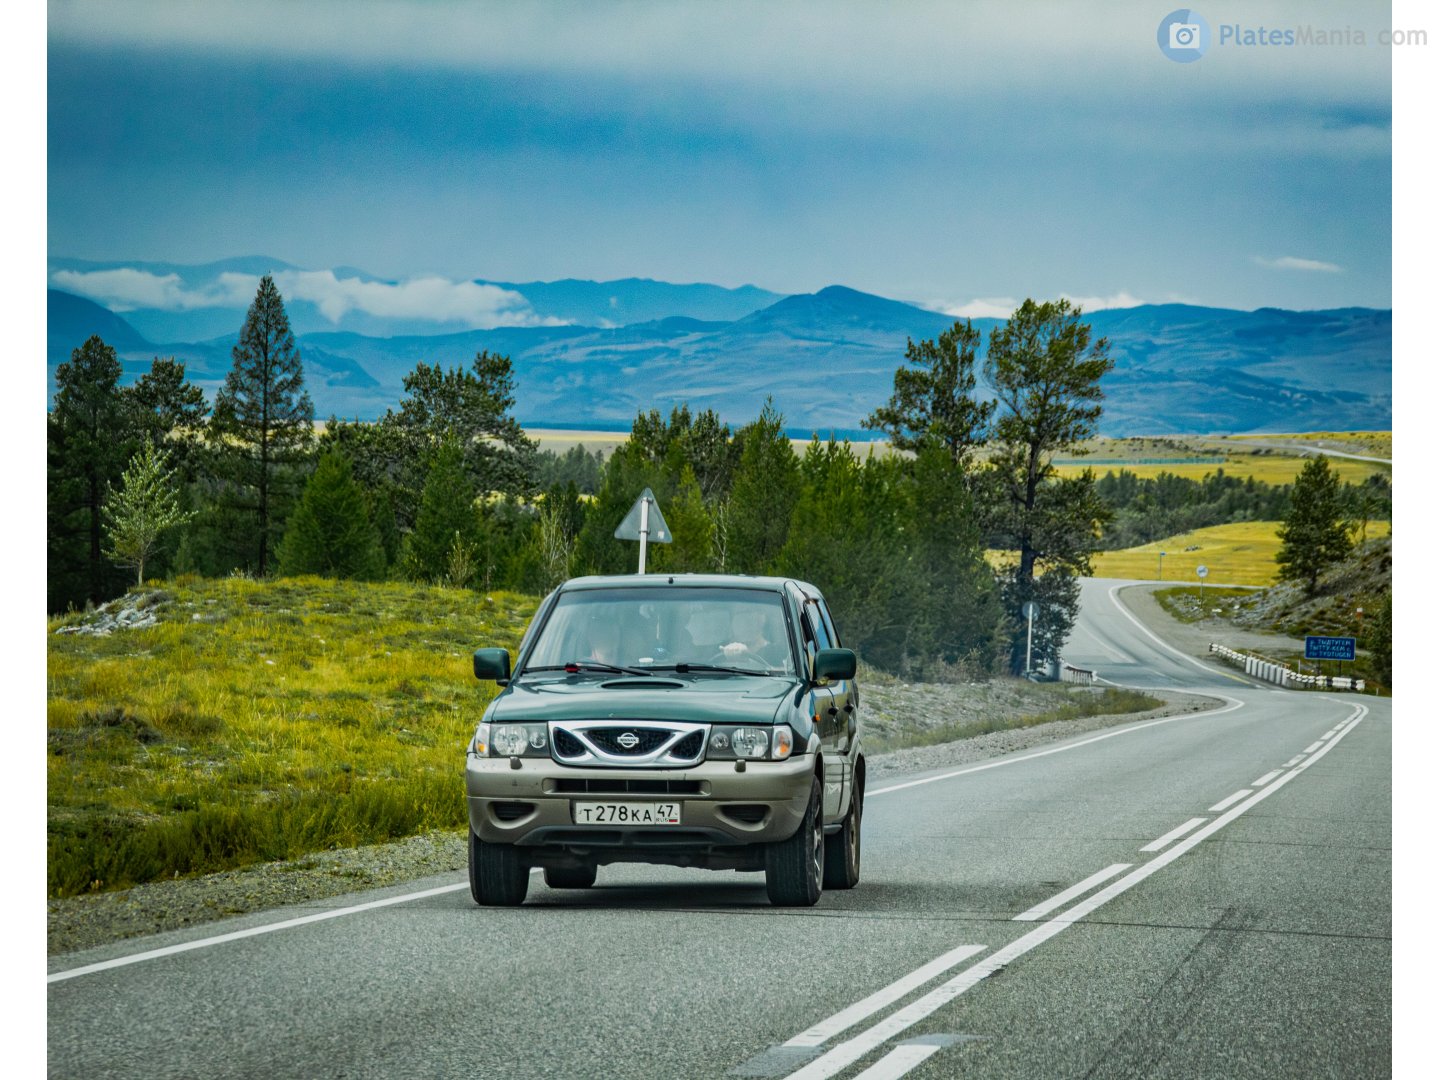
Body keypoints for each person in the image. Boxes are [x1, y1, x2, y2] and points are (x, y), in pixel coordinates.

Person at [718, 606, 786, 668]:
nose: (745, 624)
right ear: (731, 622)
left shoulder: (774, 652)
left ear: (762, 621)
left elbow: (781, 676)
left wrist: (747, 656)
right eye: (740, 616)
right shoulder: (719, 649)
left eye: (750, 617)